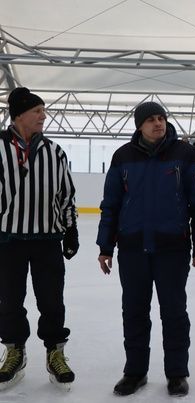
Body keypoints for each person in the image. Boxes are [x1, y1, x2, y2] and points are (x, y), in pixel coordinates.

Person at [96, 101, 195, 397]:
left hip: (171, 248)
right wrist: (105, 246)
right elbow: (111, 204)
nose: (158, 124)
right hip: (133, 248)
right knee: (133, 311)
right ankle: (135, 371)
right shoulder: (122, 156)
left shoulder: (186, 154)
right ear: (139, 125)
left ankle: (176, 373)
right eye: (150, 120)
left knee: (174, 312)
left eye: (161, 118)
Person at [0, 87, 79, 390]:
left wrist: (70, 230)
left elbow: (66, 196)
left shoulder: (54, 151)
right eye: (37, 111)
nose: (43, 116)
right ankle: (14, 352)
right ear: (19, 115)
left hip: (47, 239)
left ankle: (55, 353)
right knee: (9, 300)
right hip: (8, 240)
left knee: (51, 300)